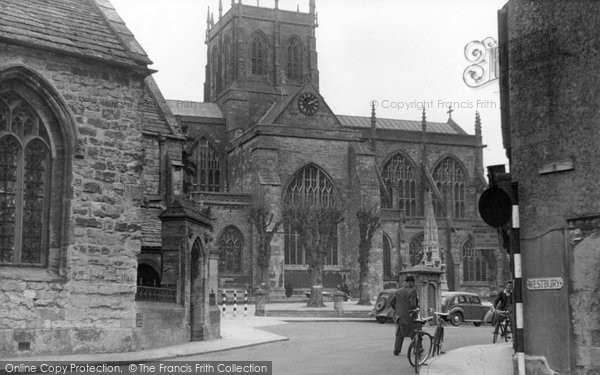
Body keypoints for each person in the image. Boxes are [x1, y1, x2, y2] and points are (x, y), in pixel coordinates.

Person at [390, 275, 419, 355]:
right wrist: (415, 311)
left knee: (399, 333)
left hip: (399, 316)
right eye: (413, 282)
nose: (413, 284)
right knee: (414, 332)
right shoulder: (412, 291)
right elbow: (413, 305)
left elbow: (392, 302)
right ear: (411, 282)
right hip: (409, 316)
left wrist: (398, 310)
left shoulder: (398, 291)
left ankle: (396, 350)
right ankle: (417, 348)